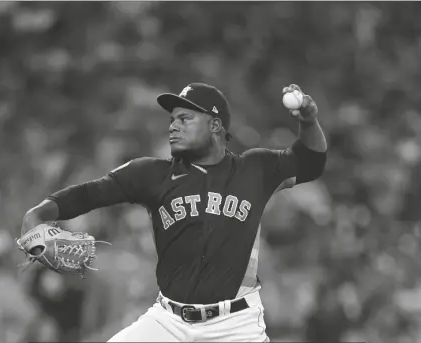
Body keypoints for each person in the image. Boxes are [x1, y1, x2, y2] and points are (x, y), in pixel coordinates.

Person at [21, 82, 327, 342]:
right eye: (173, 119)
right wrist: (41, 212)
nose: (173, 125)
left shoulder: (255, 168)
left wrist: (309, 121)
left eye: (185, 118)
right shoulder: (152, 175)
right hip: (170, 321)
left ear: (215, 125)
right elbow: (91, 193)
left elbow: (311, 162)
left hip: (235, 326)